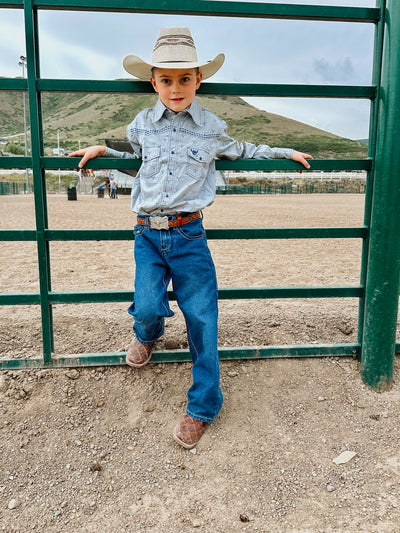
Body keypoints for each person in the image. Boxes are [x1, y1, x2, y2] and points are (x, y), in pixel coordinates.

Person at [69, 27, 312, 449]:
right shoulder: (142, 123)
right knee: (146, 305)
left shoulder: (212, 128)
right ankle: (147, 334)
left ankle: (202, 406)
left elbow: (246, 149)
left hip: (189, 236)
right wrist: (101, 150)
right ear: (153, 82)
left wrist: (285, 153)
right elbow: (134, 158)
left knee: (202, 320)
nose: (175, 88)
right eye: (166, 79)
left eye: (185, 79)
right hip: (147, 233)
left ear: (199, 80)